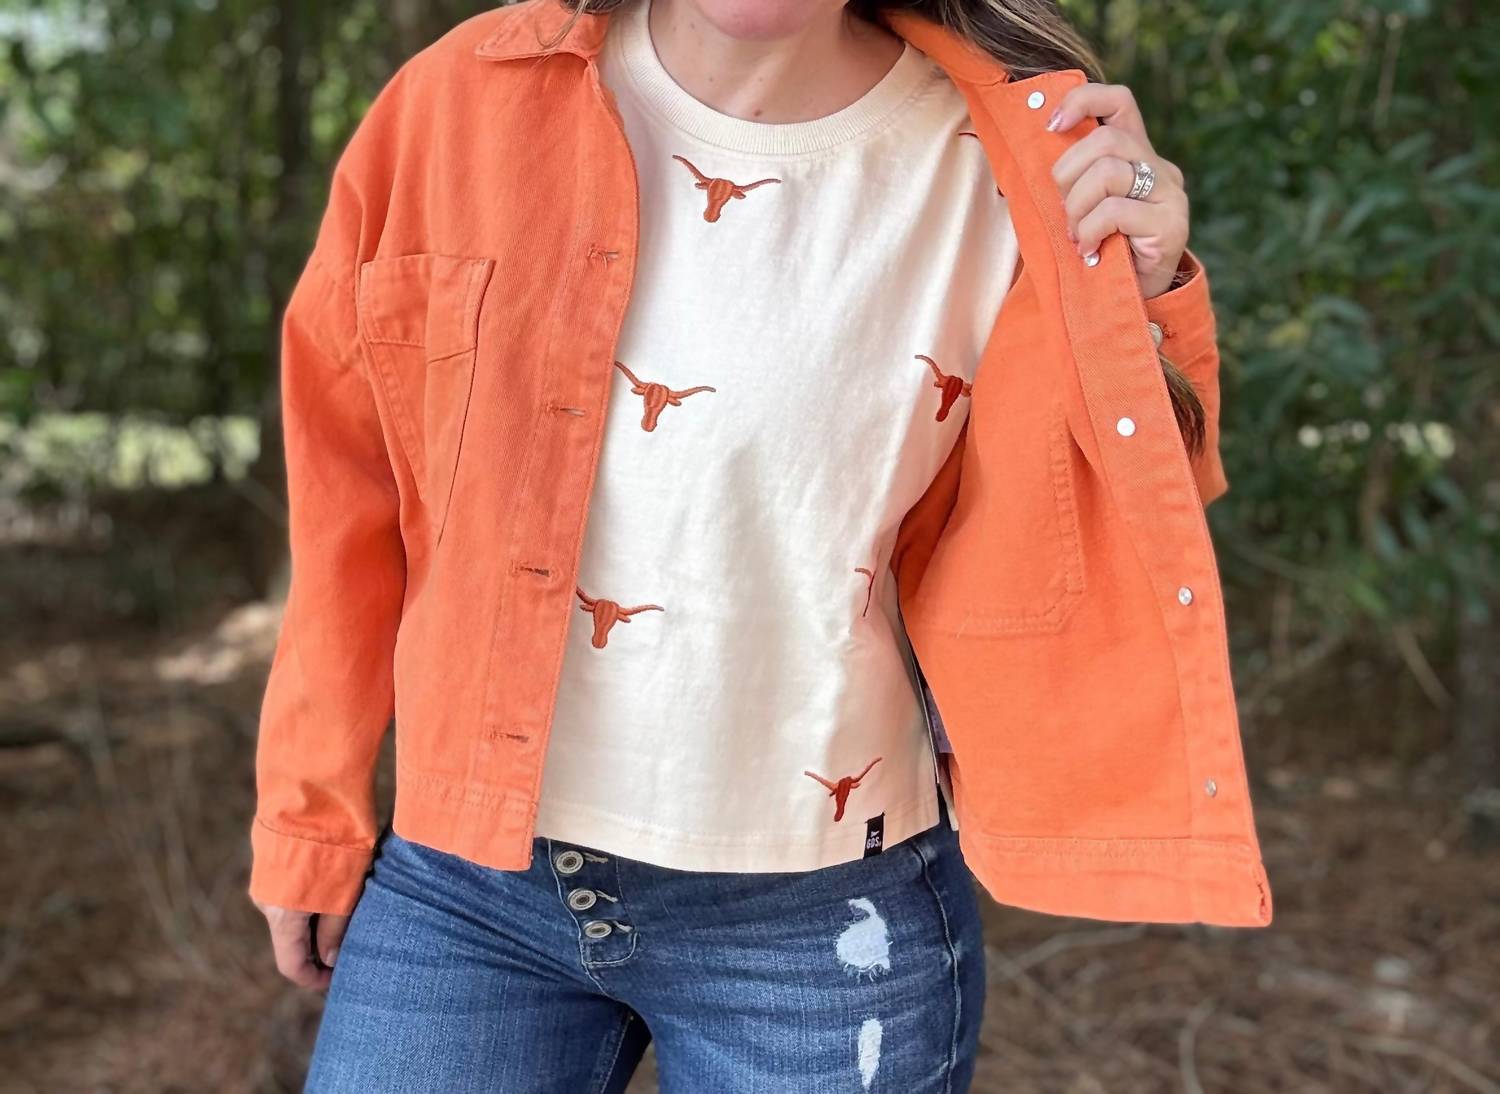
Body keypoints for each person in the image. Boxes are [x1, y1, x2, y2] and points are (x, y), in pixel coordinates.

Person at [248, 0, 1274, 1089]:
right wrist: (310, 809)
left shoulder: (1020, 160)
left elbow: (1123, 513)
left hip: (822, 916)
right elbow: (348, 493)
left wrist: (1146, 291)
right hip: (467, 882)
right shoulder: (459, 103)